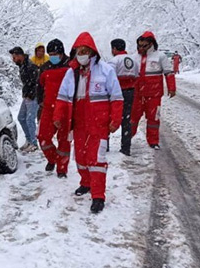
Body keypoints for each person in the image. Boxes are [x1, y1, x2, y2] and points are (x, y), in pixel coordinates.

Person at [53, 32, 123, 213]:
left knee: (96, 159)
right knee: (82, 158)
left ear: (92, 52)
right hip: (78, 121)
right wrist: (58, 117)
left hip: (98, 123)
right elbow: (61, 97)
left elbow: (116, 97)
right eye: (78, 51)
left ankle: (98, 195)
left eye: (85, 51)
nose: (81, 54)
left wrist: (115, 120)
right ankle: (86, 183)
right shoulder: (71, 73)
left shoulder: (106, 70)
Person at [131, 31, 176, 150]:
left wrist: (172, 88)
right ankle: (128, 138)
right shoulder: (134, 57)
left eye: (144, 45)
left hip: (154, 95)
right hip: (137, 94)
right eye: (139, 45)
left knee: (153, 119)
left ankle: (153, 141)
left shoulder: (160, 56)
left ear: (151, 44)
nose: (141, 48)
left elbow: (168, 73)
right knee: (132, 117)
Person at [36, 39, 71, 177]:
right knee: (42, 136)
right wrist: (40, 102)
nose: (52, 56)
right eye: (50, 54)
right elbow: (39, 86)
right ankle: (53, 158)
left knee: (64, 139)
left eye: (55, 53)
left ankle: (62, 169)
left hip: (66, 109)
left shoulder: (71, 65)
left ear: (61, 53)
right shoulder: (45, 67)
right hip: (48, 108)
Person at [108, 39, 139, 156]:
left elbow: (109, 78)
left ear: (114, 49)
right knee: (127, 120)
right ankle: (126, 148)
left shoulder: (113, 61)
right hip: (130, 92)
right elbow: (137, 75)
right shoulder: (133, 60)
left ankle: (105, 146)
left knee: (110, 118)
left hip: (116, 93)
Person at [9, 46, 39, 152]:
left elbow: (37, 83)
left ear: (19, 56)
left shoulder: (30, 66)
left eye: (14, 57)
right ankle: (29, 140)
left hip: (33, 97)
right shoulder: (22, 66)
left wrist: (31, 94)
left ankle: (34, 143)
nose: (13, 60)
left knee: (29, 119)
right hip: (27, 96)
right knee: (21, 117)